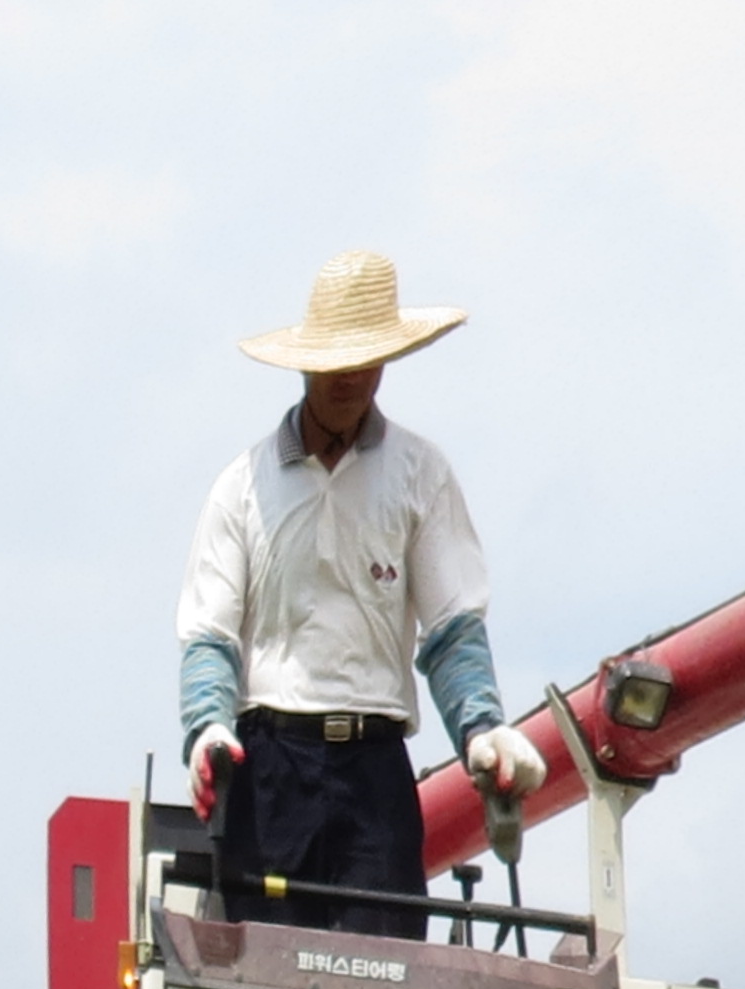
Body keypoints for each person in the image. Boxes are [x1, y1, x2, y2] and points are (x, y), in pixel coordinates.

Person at [175, 253, 546, 938]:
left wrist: (481, 726)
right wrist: (207, 729)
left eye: (367, 357)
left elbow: (451, 627)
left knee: (391, 977)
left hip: (374, 771)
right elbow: (210, 636)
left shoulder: (419, 474)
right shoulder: (244, 485)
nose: (350, 376)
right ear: (304, 363)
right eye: (336, 359)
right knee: (267, 977)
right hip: (268, 771)